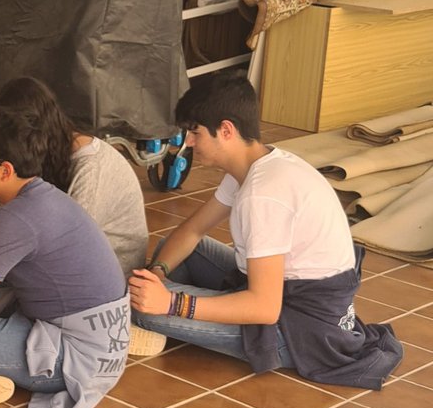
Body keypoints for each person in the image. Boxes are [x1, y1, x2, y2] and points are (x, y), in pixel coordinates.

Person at [129, 72, 403, 389]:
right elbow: (192, 230)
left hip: (298, 326)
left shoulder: (263, 195)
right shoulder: (257, 164)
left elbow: (264, 307)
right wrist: (158, 273)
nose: (188, 142)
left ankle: (179, 313)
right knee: (173, 252)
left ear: (226, 130)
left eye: (194, 132)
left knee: (146, 312)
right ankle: (190, 306)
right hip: (283, 291)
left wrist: (170, 304)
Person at [0, 108, 130, 408]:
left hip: (75, 359)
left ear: (4, 170)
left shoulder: (17, 219)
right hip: (96, 339)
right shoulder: (37, 197)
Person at [0, 76, 149, 277]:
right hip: (61, 256)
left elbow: (67, 247)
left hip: (110, 273)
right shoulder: (47, 151)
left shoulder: (91, 168)